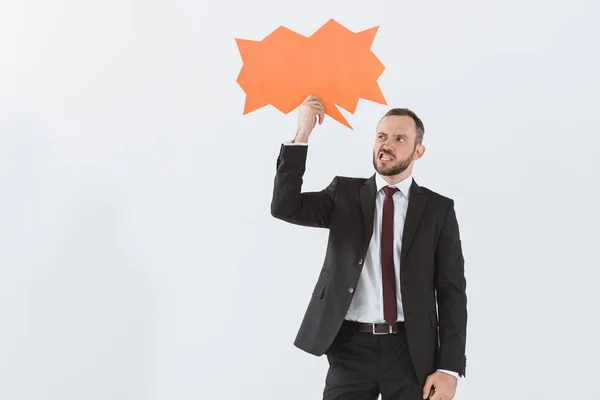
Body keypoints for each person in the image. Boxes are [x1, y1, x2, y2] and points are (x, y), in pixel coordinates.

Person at [270, 95, 467, 400]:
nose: (386, 145)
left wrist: (449, 369)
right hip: (350, 348)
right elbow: (284, 207)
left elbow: (452, 291)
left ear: (418, 152)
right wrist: (302, 134)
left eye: (399, 138)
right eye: (381, 136)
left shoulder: (437, 209)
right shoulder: (344, 195)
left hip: (411, 351)